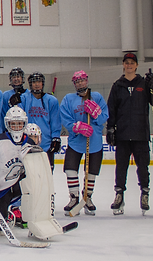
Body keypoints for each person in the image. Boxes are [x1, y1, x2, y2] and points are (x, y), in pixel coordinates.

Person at [106, 53, 153, 216]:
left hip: (140, 133)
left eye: (132, 63)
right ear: (123, 65)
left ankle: (144, 193)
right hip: (123, 134)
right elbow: (112, 108)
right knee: (121, 167)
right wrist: (111, 128)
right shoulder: (118, 85)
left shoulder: (144, 84)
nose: (129, 65)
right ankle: (119, 195)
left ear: (137, 65)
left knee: (143, 167)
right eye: (127, 63)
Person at [0, 106, 33, 236]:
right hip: (1, 189)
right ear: (8, 124)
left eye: (19, 124)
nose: (16, 127)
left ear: (24, 124)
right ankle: (7, 213)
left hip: (21, 186)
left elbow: (36, 167)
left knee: (31, 202)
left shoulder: (29, 143)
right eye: (13, 124)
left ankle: (21, 213)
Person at [60, 70, 109, 216]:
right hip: (76, 141)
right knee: (70, 169)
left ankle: (87, 197)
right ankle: (74, 197)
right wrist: (76, 126)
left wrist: (97, 114)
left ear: (87, 81)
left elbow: (104, 118)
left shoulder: (97, 97)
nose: (80, 83)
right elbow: (65, 118)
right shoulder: (68, 99)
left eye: (82, 80)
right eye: (77, 81)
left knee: (91, 172)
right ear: (74, 84)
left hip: (94, 142)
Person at [19, 72, 61, 170]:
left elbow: (55, 121)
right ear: (30, 84)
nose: (37, 84)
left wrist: (55, 137)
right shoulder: (24, 98)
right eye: (34, 82)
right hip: (26, 144)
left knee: (46, 175)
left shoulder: (51, 100)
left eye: (39, 82)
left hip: (45, 144)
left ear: (42, 83)